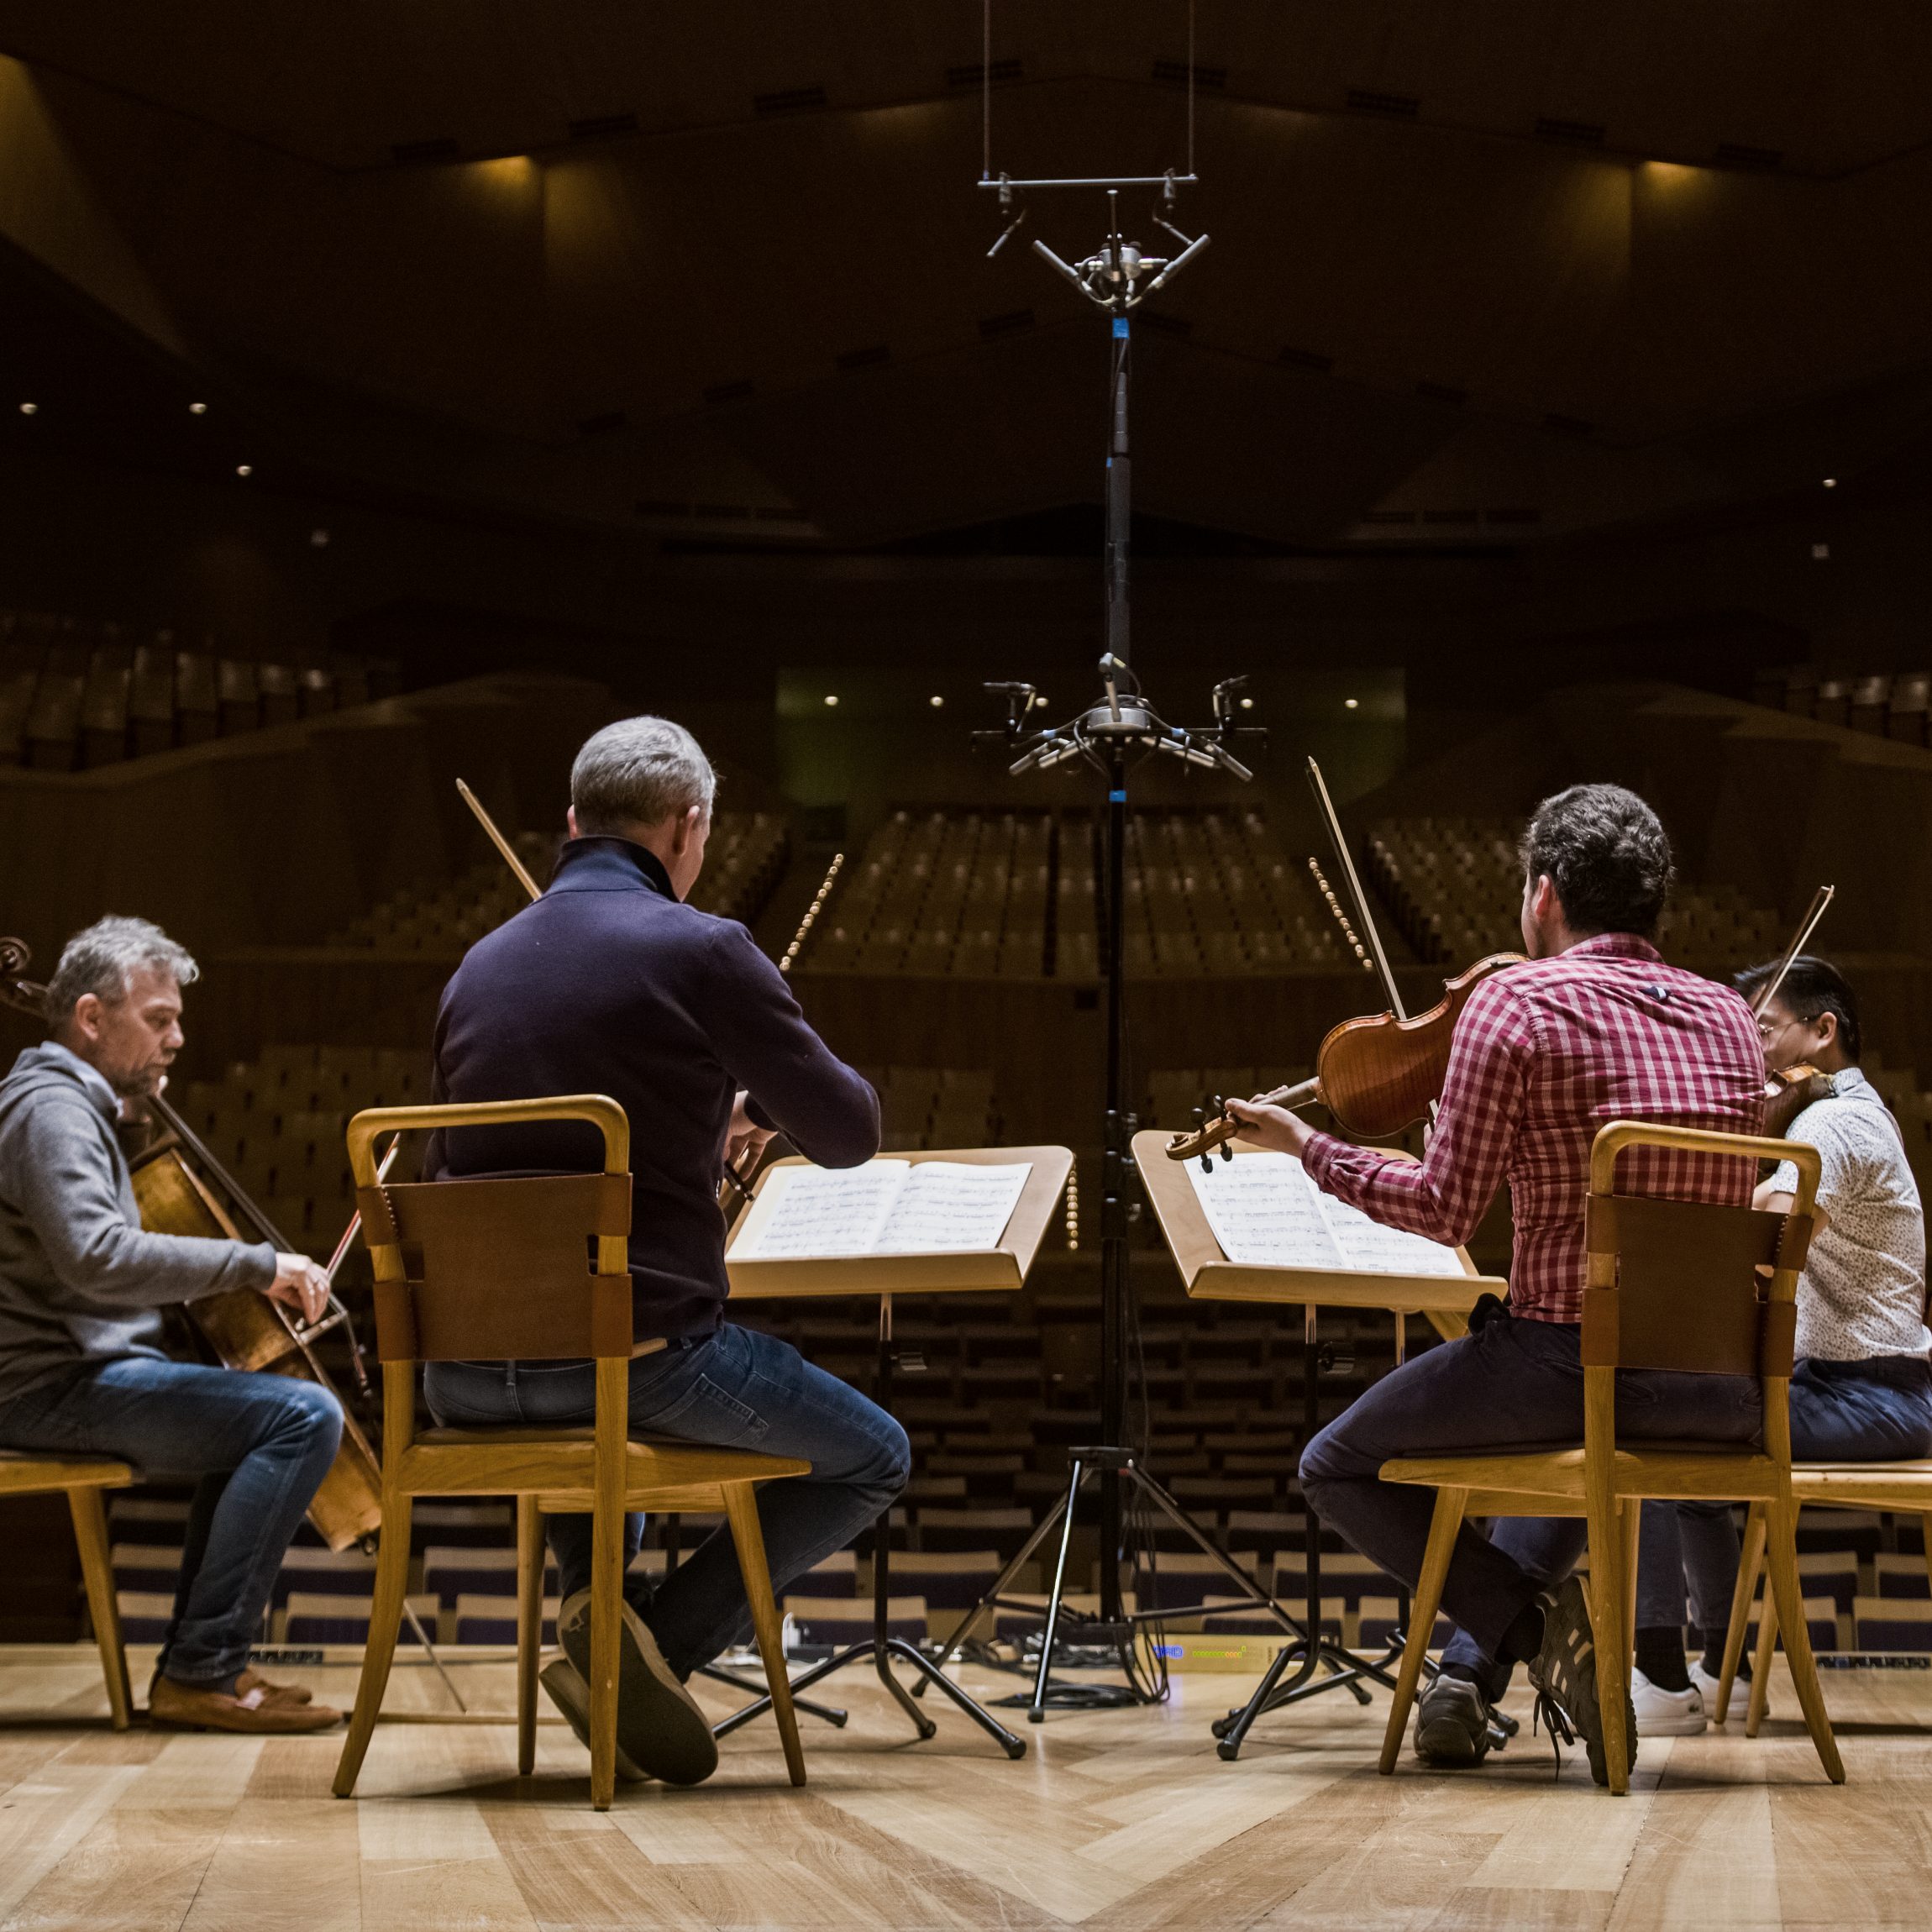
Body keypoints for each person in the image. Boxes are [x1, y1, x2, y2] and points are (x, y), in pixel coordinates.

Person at [1226, 784, 1767, 1785]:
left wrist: (1310, 1146)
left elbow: (1439, 1209)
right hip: (1719, 1387)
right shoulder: (1731, 1015)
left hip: (1569, 1359)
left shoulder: (1513, 1002)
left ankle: (1515, 1619)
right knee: (1568, 1425)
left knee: (1334, 1462)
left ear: (1542, 894)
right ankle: (1472, 1669)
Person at [423, 715, 909, 1787]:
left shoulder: (475, 964)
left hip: (460, 1374)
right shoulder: (702, 946)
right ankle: (647, 1641)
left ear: (570, 822)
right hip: (639, 1360)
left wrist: (700, 1114)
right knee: (874, 1454)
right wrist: (758, 1102)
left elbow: (527, 1152)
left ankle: (599, 1600)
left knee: (592, 1352)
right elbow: (847, 1132)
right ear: (688, 827)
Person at [0, 917, 344, 1733]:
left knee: (263, 1415)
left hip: (71, 1372)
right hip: (45, 1386)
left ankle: (206, 1659)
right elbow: (96, 1256)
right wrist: (258, 1263)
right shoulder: (52, 1110)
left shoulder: (74, 1105)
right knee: (303, 1416)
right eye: (158, 1018)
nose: (178, 1036)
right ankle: (199, 1669)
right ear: (90, 1017)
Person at [1632, 955, 1932, 1735]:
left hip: (1875, 1393)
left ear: (1823, 1032)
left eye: (1761, 1030)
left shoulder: (1835, 1123)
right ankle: (1721, 1672)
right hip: (1854, 1385)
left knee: (1652, 1432)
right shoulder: (1842, 1115)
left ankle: (1659, 1676)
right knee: (1689, 1462)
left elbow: (1763, 1235)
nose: (1749, 1050)